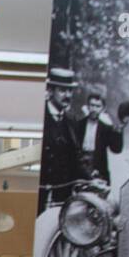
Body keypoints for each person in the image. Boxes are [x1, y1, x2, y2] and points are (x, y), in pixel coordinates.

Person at [39, 67, 80, 212]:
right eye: (62, 91)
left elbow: (75, 159)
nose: (67, 95)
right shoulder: (39, 116)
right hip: (39, 193)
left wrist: (91, 179)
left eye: (70, 91)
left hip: (62, 196)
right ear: (50, 91)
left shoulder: (72, 120)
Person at [72, 88, 129, 183]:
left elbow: (116, 149)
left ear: (103, 109)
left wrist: (120, 129)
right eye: (91, 105)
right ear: (87, 106)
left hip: (99, 173)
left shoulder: (106, 128)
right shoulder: (77, 125)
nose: (94, 109)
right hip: (79, 172)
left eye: (97, 106)